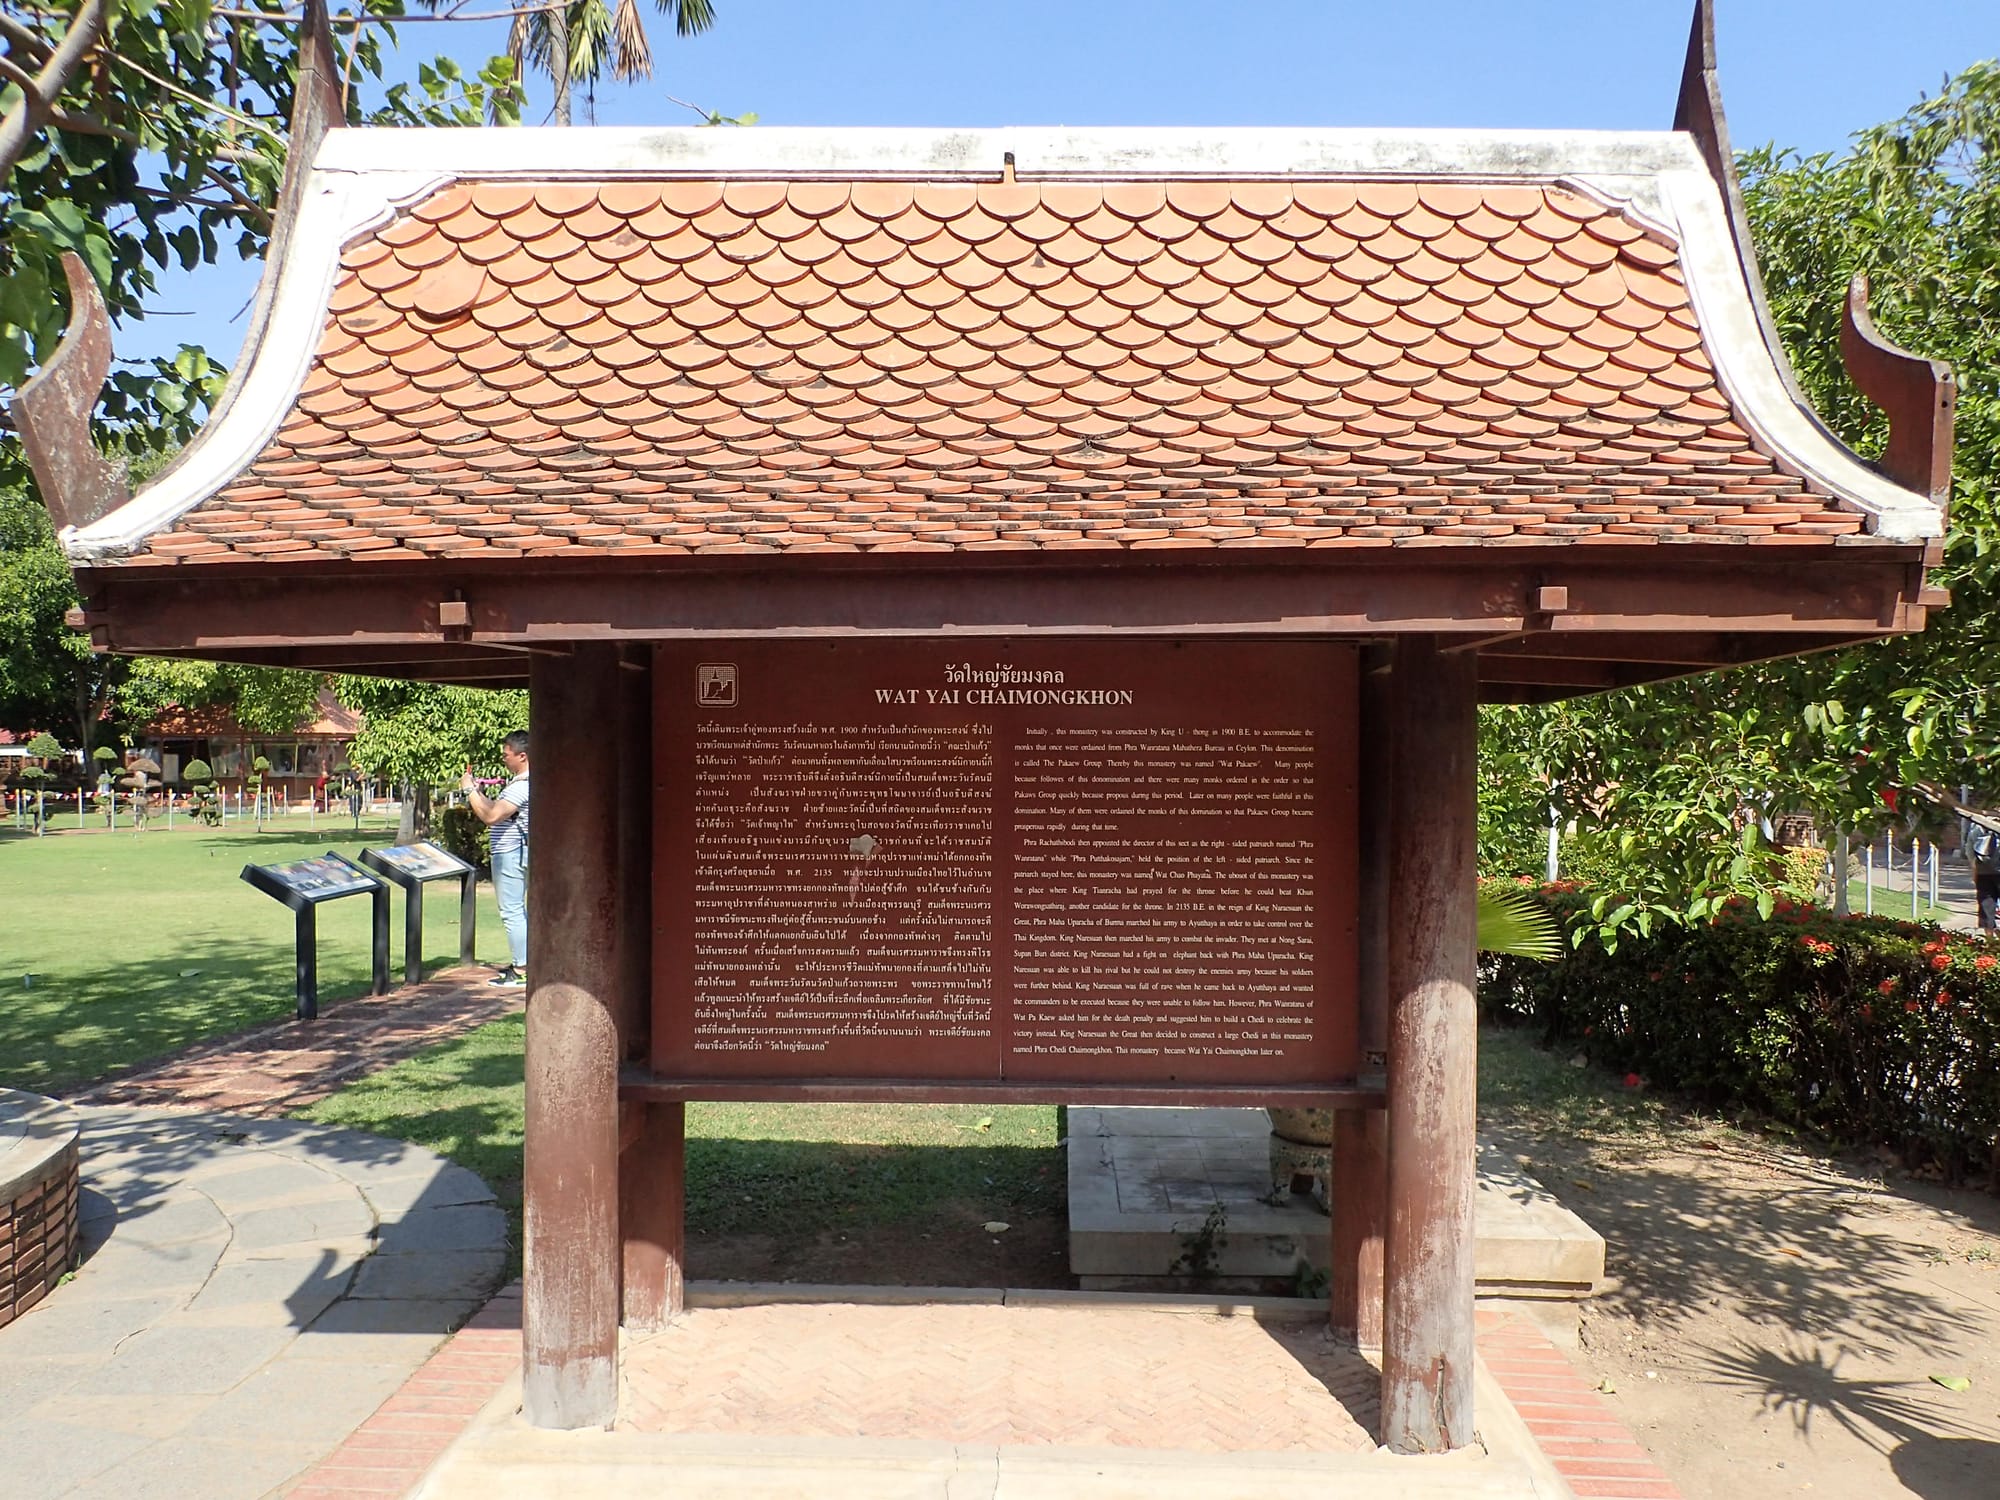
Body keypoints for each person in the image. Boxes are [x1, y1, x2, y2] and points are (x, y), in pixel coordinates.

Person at [464, 731, 530, 986]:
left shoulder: (522, 785)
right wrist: (478, 794)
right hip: (515, 852)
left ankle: (522, 969)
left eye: (506, 755)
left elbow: (491, 817)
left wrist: (469, 790)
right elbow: (495, 808)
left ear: (522, 756)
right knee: (517, 910)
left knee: (511, 911)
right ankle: (522, 960)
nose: (504, 760)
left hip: (510, 853)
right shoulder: (521, 784)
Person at [1963, 808, 2000, 934]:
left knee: (1986, 904)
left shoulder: (1978, 824)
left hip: (1983, 870)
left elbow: (1969, 847)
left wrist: (1974, 867)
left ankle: (1989, 939)